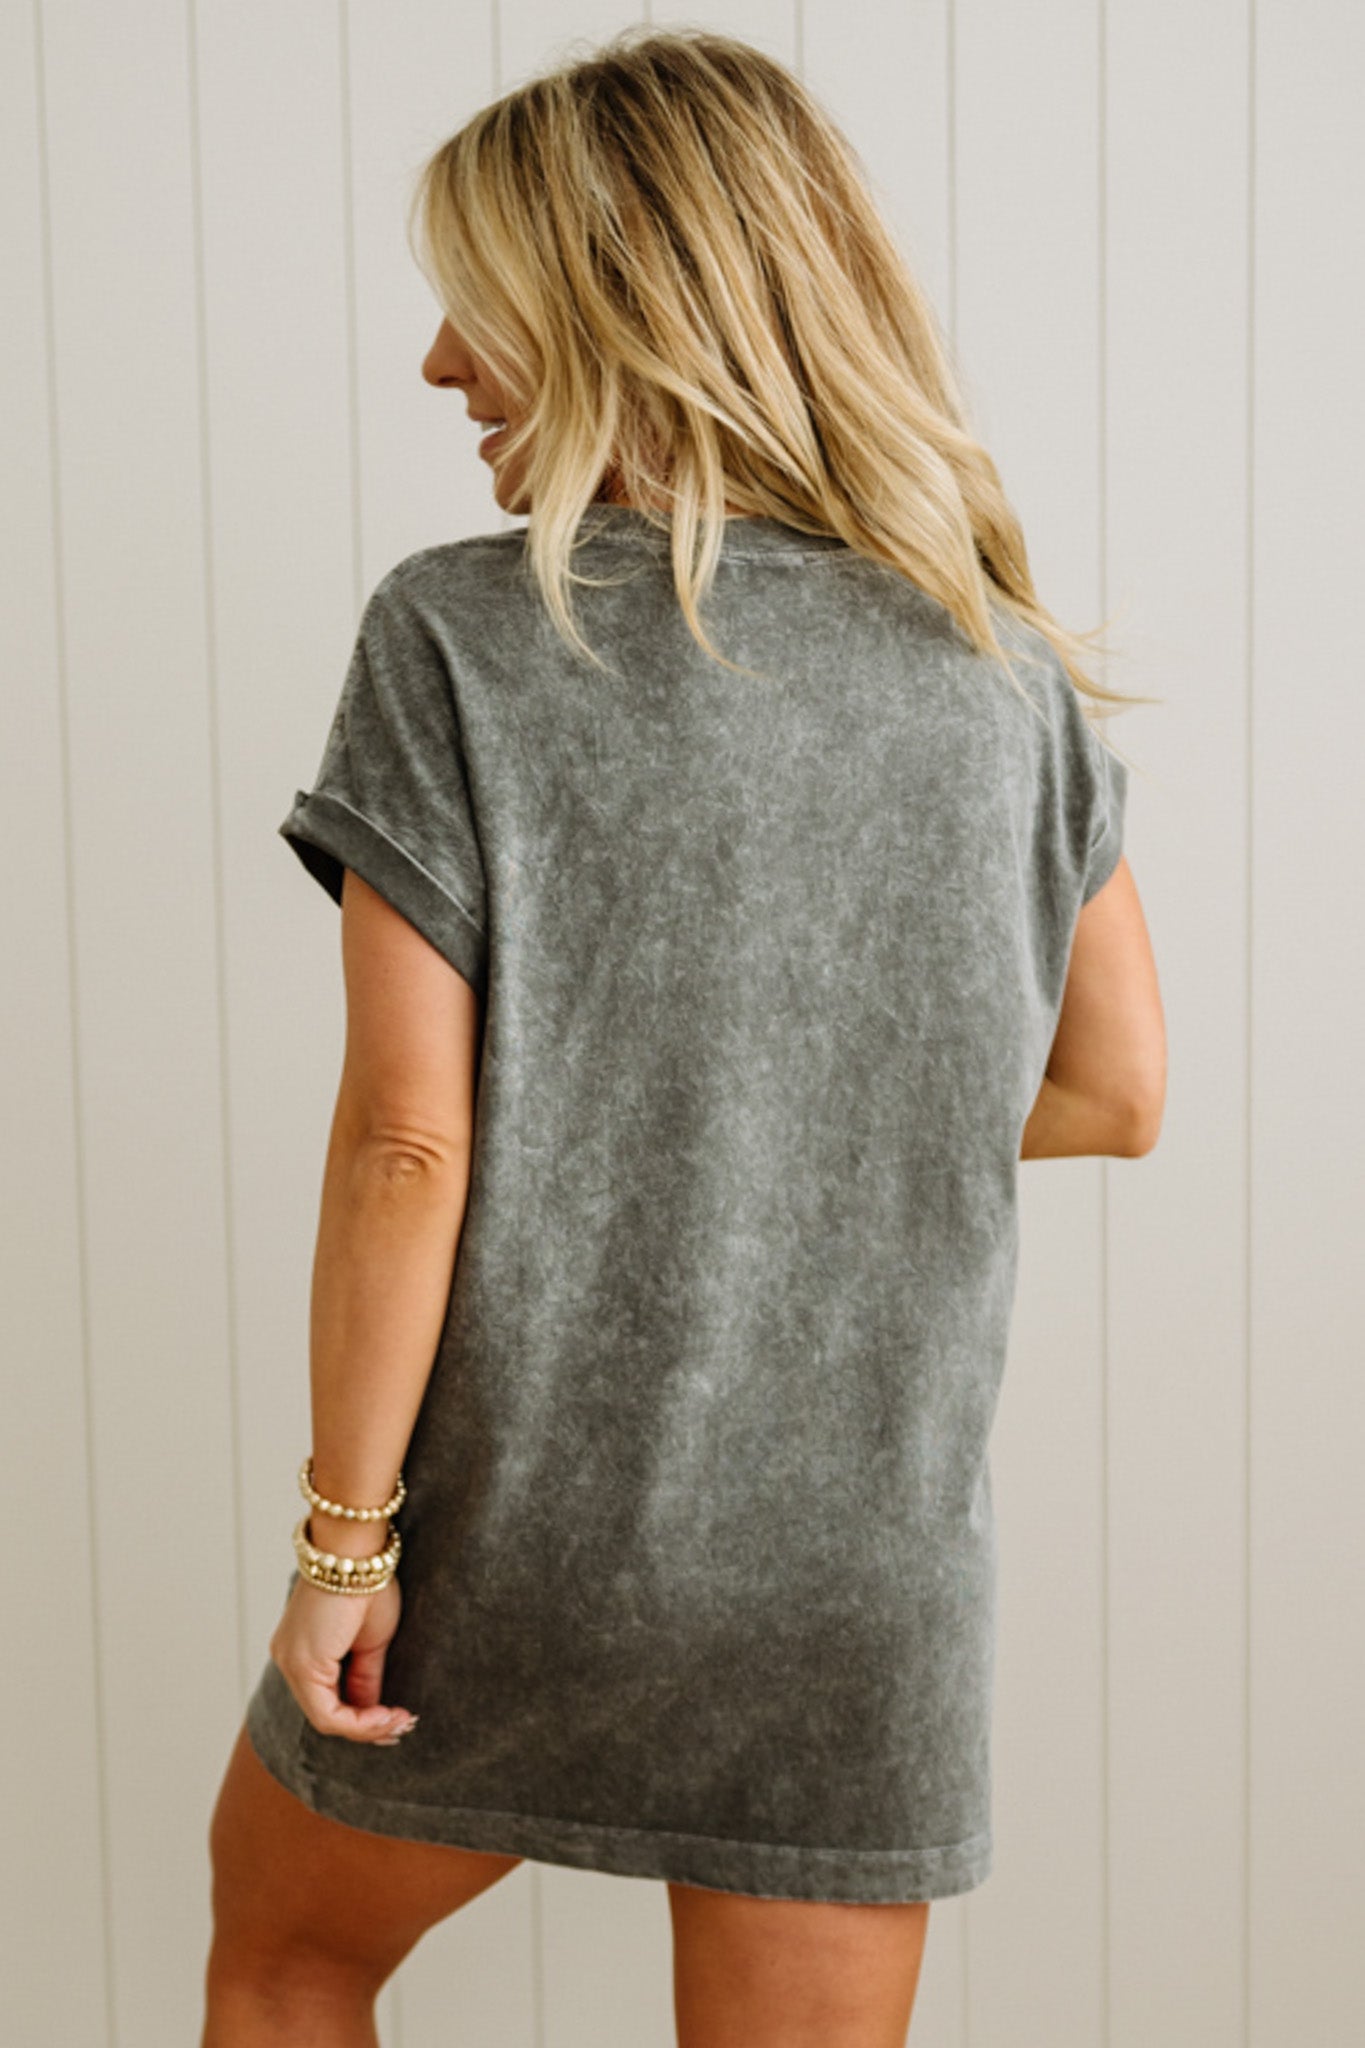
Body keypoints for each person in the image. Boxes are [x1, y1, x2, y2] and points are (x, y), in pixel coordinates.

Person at [201, 25, 1166, 2047]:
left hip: (524, 1542)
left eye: (476, 304)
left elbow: (407, 1144)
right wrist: (807, 1105)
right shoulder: (1000, 668)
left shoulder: (460, 633)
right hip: (858, 1597)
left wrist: (341, 1545)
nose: (439, 365)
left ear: (613, 305)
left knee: (290, 1960)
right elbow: (1113, 1090)